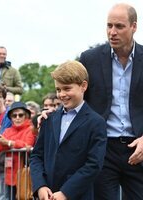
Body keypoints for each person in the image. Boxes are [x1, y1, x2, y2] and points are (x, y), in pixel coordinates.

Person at [79, 3, 143, 199]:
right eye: (109, 26)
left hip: (139, 149)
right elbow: (77, 99)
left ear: (134, 26)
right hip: (103, 149)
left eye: (119, 26)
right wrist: (51, 114)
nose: (112, 32)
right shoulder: (89, 59)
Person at [30, 61, 107, 200]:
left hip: (77, 195)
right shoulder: (48, 119)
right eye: (58, 89)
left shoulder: (96, 123)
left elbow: (93, 164)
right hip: (48, 194)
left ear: (83, 86)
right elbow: (36, 156)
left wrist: (66, 192)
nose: (62, 94)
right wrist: (40, 185)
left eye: (67, 88)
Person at [0, 101, 36, 200]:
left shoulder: (30, 129)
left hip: (24, 175)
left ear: (26, 116)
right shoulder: (7, 130)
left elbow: (28, 145)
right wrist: (9, 144)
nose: (17, 118)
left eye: (20, 115)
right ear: (11, 118)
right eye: (14, 115)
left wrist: (8, 143)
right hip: (9, 175)